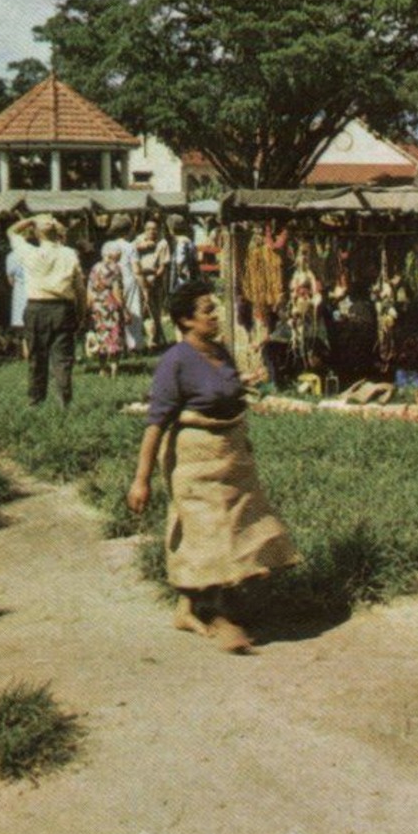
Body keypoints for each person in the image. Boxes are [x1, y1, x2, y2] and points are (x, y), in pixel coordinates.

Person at [126, 280, 301, 653]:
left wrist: (244, 382)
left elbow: (224, 389)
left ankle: (187, 610)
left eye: (214, 308)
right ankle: (223, 616)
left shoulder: (221, 352)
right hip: (195, 462)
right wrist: (141, 480)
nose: (215, 315)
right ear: (186, 321)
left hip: (232, 456)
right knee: (216, 538)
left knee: (243, 532)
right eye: (207, 310)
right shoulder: (175, 361)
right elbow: (155, 423)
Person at [7, 215, 85, 407]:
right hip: (63, 307)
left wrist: (32, 219)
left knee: (36, 357)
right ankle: (65, 401)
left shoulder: (27, 252)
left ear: (35, 232)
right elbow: (80, 288)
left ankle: (35, 400)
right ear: (56, 232)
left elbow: (11, 231)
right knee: (63, 359)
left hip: (36, 307)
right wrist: (81, 314)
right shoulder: (70, 253)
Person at [86, 240, 127, 377]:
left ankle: (102, 369)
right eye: (119, 254)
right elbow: (117, 292)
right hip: (111, 306)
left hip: (97, 306)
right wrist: (124, 310)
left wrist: (89, 307)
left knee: (101, 336)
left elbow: (89, 291)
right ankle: (115, 369)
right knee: (115, 336)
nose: (120, 256)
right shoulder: (115, 268)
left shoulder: (94, 267)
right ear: (113, 254)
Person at [109, 215, 146, 353]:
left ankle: (117, 343)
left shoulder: (109, 246)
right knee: (133, 311)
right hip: (129, 280)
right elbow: (137, 270)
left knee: (116, 313)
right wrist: (144, 289)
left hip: (113, 282)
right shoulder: (130, 247)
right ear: (129, 230)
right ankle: (134, 345)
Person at [137, 220, 171, 346]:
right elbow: (130, 251)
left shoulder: (162, 243)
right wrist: (143, 246)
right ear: (144, 230)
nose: (152, 231)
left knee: (155, 312)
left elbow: (163, 265)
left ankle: (156, 340)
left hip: (155, 281)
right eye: (149, 229)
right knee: (142, 311)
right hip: (140, 280)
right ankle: (141, 341)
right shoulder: (138, 240)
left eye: (154, 229)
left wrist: (155, 278)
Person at [5, 241, 28, 357]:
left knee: (22, 326)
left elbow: (11, 280)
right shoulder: (33, 252)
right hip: (35, 289)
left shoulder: (11, 257)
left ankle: (25, 352)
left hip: (19, 291)